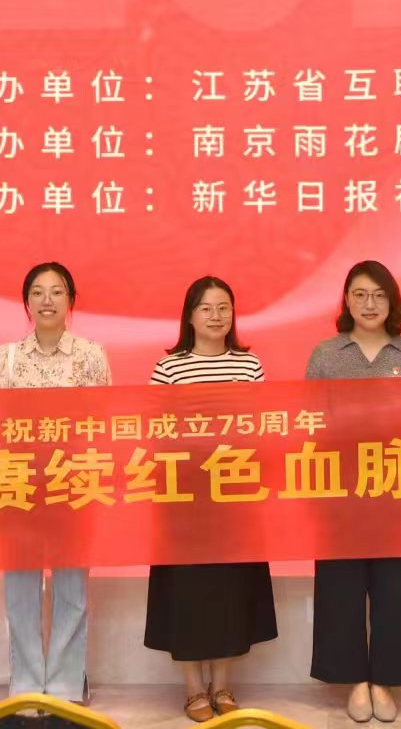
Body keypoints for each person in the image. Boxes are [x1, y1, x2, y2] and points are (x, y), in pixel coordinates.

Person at [145, 277, 278, 722]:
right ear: (190, 316)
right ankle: (192, 690)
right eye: (206, 308)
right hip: (184, 497)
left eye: (224, 308)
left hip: (235, 494)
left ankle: (222, 686)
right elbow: (156, 430)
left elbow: (261, 425)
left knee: (229, 590)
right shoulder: (169, 368)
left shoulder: (249, 364)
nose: (216, 316)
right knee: (187, 591)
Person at [304, 261, 401, 723]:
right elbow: (309, 419)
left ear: (392, 301)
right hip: (339, 487)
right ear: (347, 301)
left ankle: (385, 680)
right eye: (360, 294)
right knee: (340, 584)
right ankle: (354, 680)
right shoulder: (326, 354)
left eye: (379, 295)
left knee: (394, 586)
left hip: (395, 485)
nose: (369, 304)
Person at [0, 261, 110, 705]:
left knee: (71, 587)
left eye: (57, 292)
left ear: (70, 301)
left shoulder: (91, 355)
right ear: (26, 302)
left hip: (73, 481)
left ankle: (64, 682)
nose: (47, 301)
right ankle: (24, 682)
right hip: (18, 482)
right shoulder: (7, 356)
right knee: (20, 587)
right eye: (37, 292)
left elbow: (101, 421)